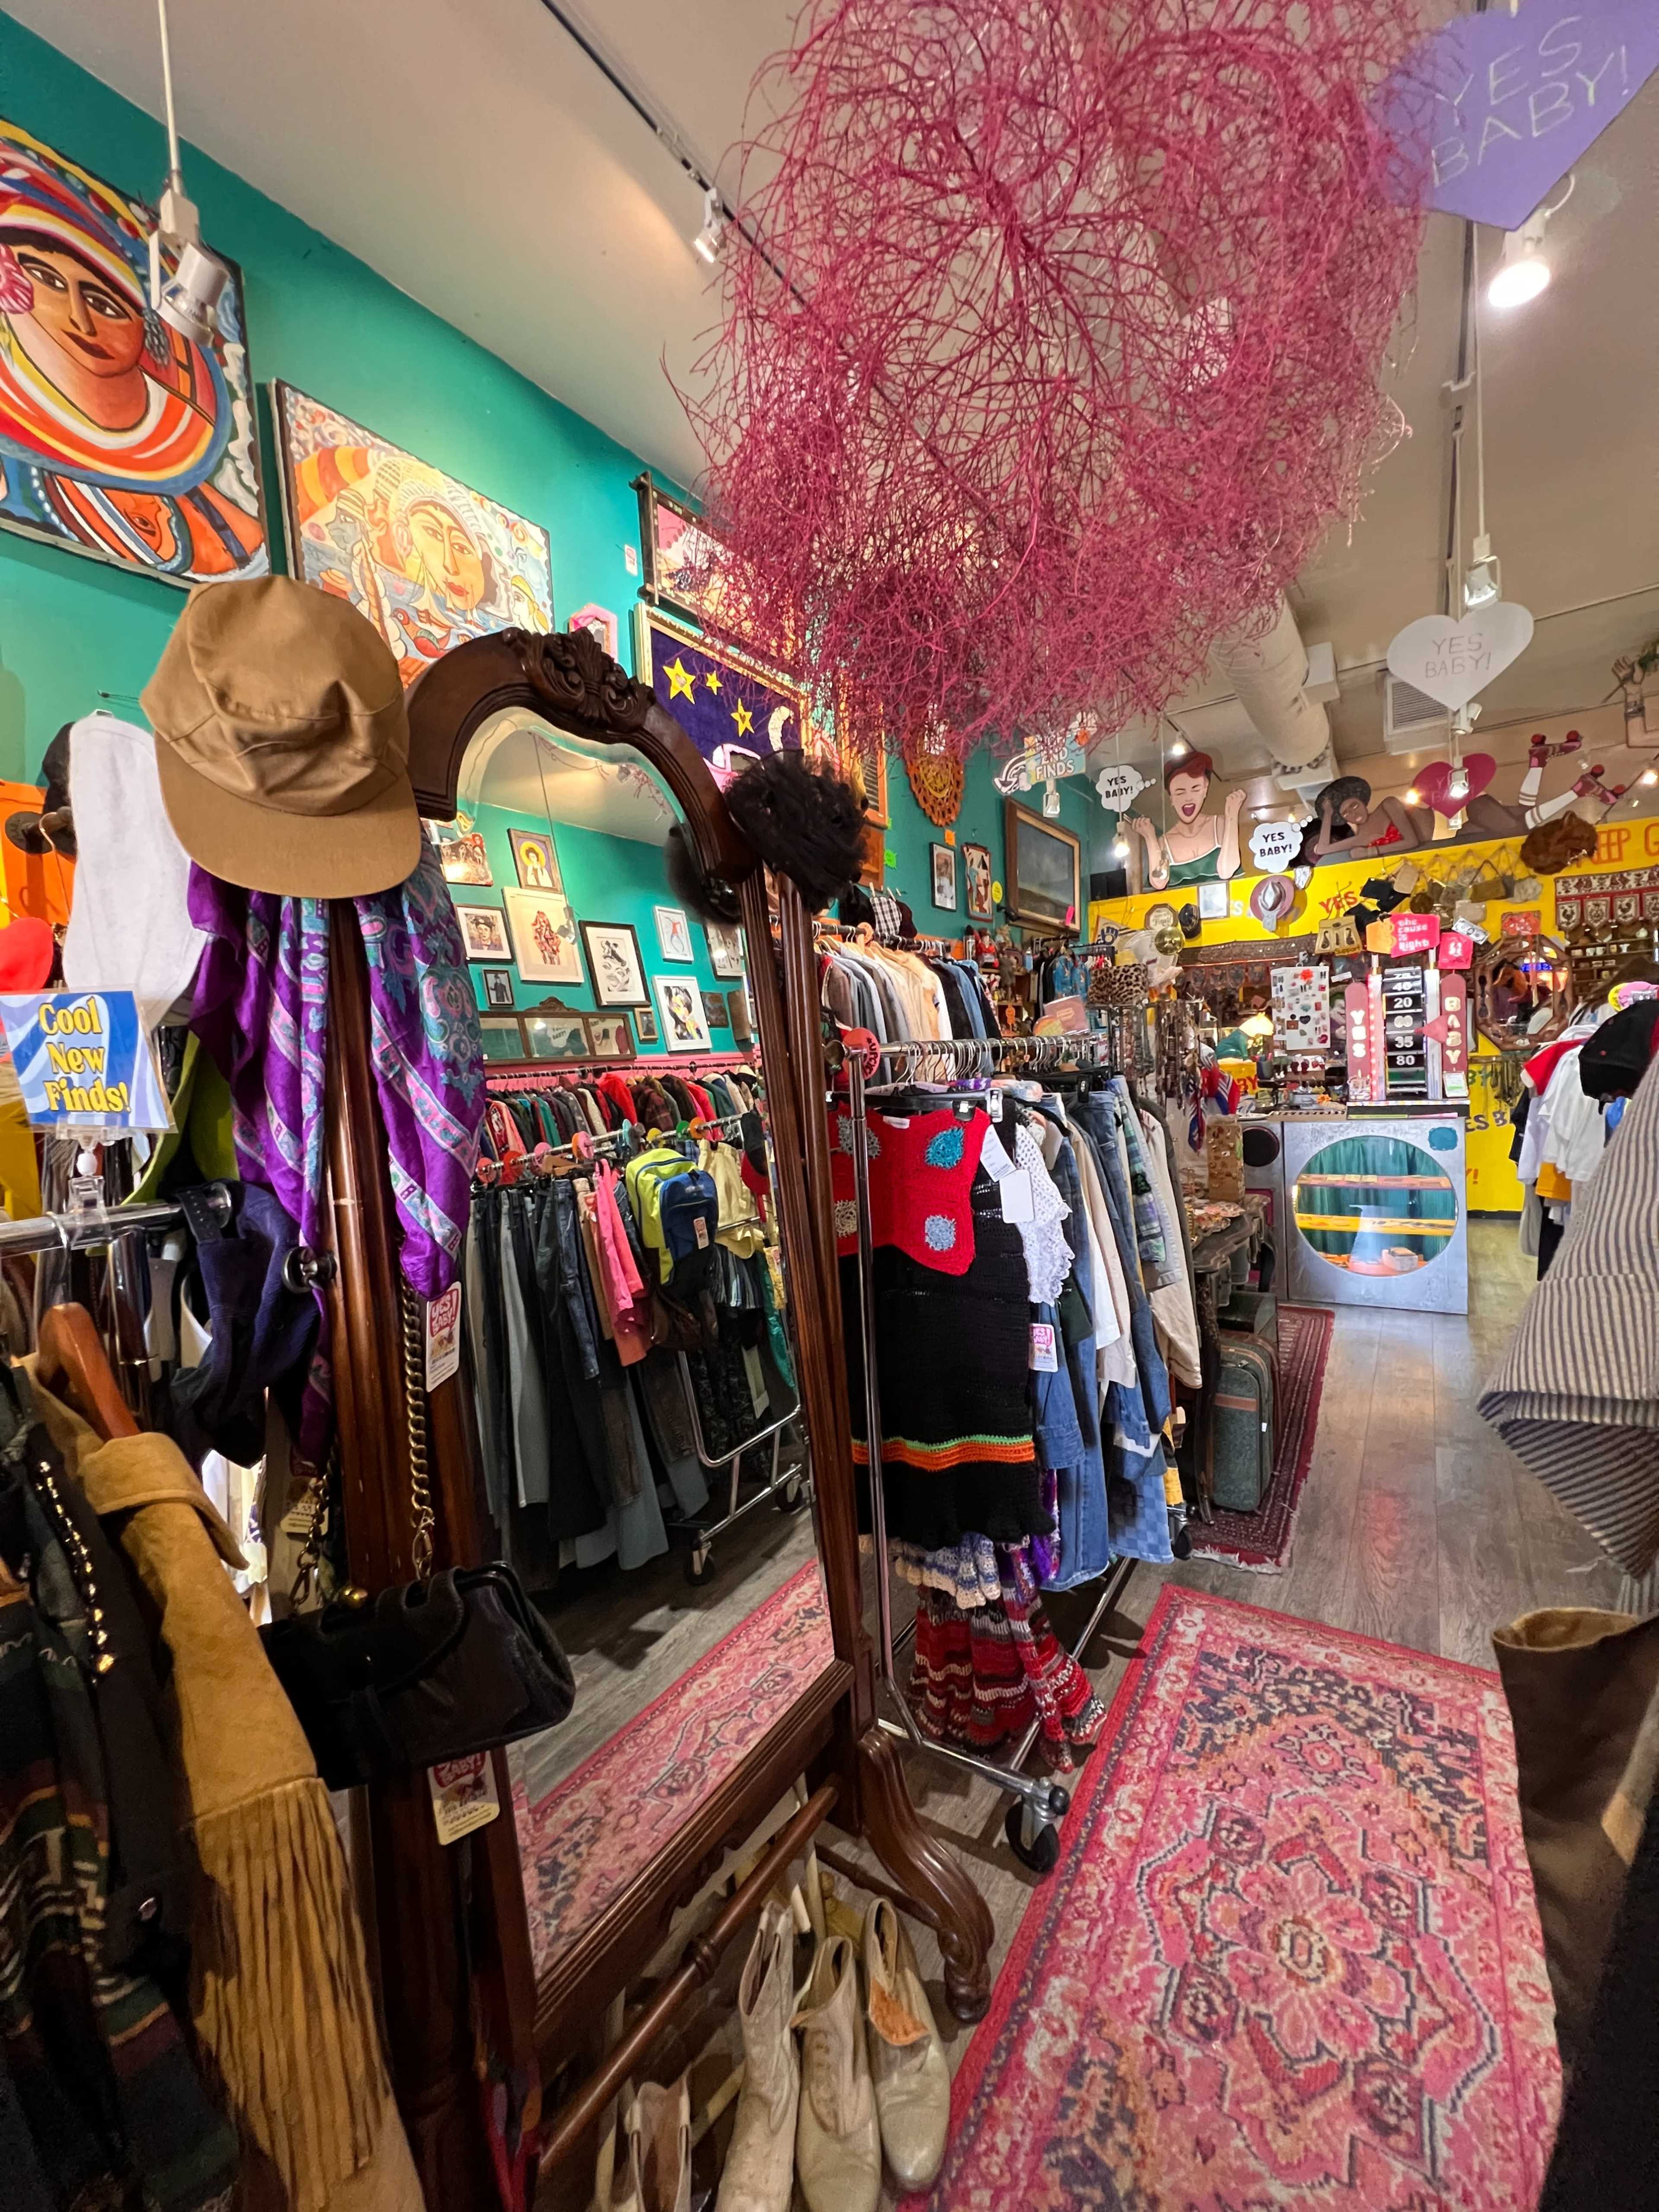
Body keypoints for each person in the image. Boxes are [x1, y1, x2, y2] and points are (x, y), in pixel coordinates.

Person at [0, 168, 264, 578]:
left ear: (149, 329)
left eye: (105, 306)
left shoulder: (204, 486)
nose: (81, 322)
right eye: (47, 280)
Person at [1128, 752, 1244, 887]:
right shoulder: (1165, 843)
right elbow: (1159, 883)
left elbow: (1227, 871)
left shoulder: (1219, 825)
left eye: (1196, 789)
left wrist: (1232, 816)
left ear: (1205, 791)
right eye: (1180, 792)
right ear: (1171, 798)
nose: (1188, 798)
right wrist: (1150, 837)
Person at [1303, 775, 1434, 863]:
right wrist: (1328, 814)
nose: (1354, 813)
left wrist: (1370, 852)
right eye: (1346, 813)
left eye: (1354, 805)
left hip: (1423, 858)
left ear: (1362, 802)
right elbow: (1322, 849)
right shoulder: (1361, 839)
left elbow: (1412, 842)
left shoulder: (1388, 805)